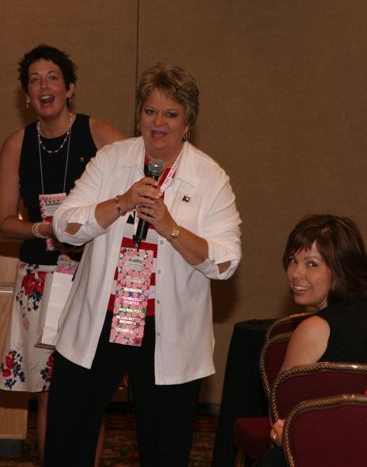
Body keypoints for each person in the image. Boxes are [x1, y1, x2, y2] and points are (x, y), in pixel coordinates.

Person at [44, 62, 242, 467]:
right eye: (150, 111)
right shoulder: (111, 160)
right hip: (100, 317)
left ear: (188, 122)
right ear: (139, 115)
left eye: (171, 114)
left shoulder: (210, 178)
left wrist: (170, 227)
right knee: (67, 440)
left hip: (166, 330)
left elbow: (225, 263)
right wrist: (121, 204)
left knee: (165, 447)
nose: (158, 123)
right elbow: (65, 226)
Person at [0, 44, 124, 464]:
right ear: (27, 96)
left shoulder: (100, 134)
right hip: (39, 279)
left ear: (69, 88)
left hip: (90, 275)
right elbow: (2, 221)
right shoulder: (17, 143)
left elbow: (137, 196)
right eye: (34, 80)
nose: (43, 86)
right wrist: (43, 228)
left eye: (52, 77)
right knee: (48, 391)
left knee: (89, 387)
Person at [254, 214, 367, 466]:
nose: (296, 273)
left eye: (312, 264)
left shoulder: (315, 328)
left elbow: (283, 415)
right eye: (293, 261)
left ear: (340, 268)